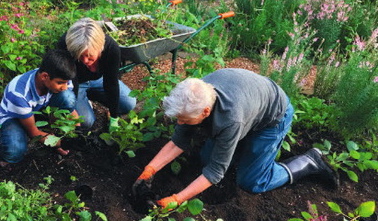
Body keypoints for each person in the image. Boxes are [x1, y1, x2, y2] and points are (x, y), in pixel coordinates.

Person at [132, 68, 338, 208]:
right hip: (250, 105)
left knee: (252, 182)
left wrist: (177, 200)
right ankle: (242, 148)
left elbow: (214, 173)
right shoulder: (195, 93)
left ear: (205, 112)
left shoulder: (230, 121)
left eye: (185, 120)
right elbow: (178, 141)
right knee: (205, 158)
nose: (181, 123)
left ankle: (309, 161)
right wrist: (147, 172)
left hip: (272, 117)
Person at [0, 49, 79, 166]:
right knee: (14, 151)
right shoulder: (19, 94)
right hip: (15, 118)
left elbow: (70, 109)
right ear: (45, 76)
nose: (64, 86)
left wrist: (78, 131)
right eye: (60, 83)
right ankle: (1, 148)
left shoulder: (60, 79)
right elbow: (34, 132)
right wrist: (62, 143)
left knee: (67, 97)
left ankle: (51, 134)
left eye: (66, 82)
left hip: (38, 110)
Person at [57, 17, 136, 132]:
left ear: (100, 47)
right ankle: (84, 98)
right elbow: (68, 81)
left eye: (89, 55)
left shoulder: (111, 49)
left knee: (128, 104)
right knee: (86, 122)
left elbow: (111, 83)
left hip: (99, 80)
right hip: (75, 83)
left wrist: (114, 117)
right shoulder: (66, 45)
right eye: (80, 56)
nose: (84, 60)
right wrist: (73, 109)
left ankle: (91, 96)